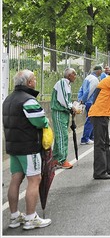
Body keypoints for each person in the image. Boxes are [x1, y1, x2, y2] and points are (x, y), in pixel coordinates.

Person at [3, 70, 52, 230]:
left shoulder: (8, 99)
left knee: (15, 180)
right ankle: (31, 218)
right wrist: (46, 120)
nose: (36, 81)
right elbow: (39, 121)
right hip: (29, 146)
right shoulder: (28, 100)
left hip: (13, 146)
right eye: (34, 79)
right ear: (29, 82)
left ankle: (15, 216)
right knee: (35, 179)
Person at [51, 68, 77, 169]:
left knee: (59, 136)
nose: (75, 77)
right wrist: (71, 107)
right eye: (74, 75)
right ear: (69, 75)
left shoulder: (67, 84)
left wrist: (71, 109)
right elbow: (63, 100)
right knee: (63, 136)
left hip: (63, 112)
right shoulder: (62, 82)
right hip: (59, 112)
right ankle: (62, 160)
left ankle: (56, 159)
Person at [77, 65, 102, 145]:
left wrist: (80, 99)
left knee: (90, 119)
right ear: (98, 71)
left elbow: (81, 89)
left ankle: (91, 135)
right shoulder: (95, 79)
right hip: (91, 102)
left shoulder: (87, 78)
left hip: (86, 102)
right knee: (90, 119)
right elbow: (89, 91)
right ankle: (85, 138)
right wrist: (84, 100)